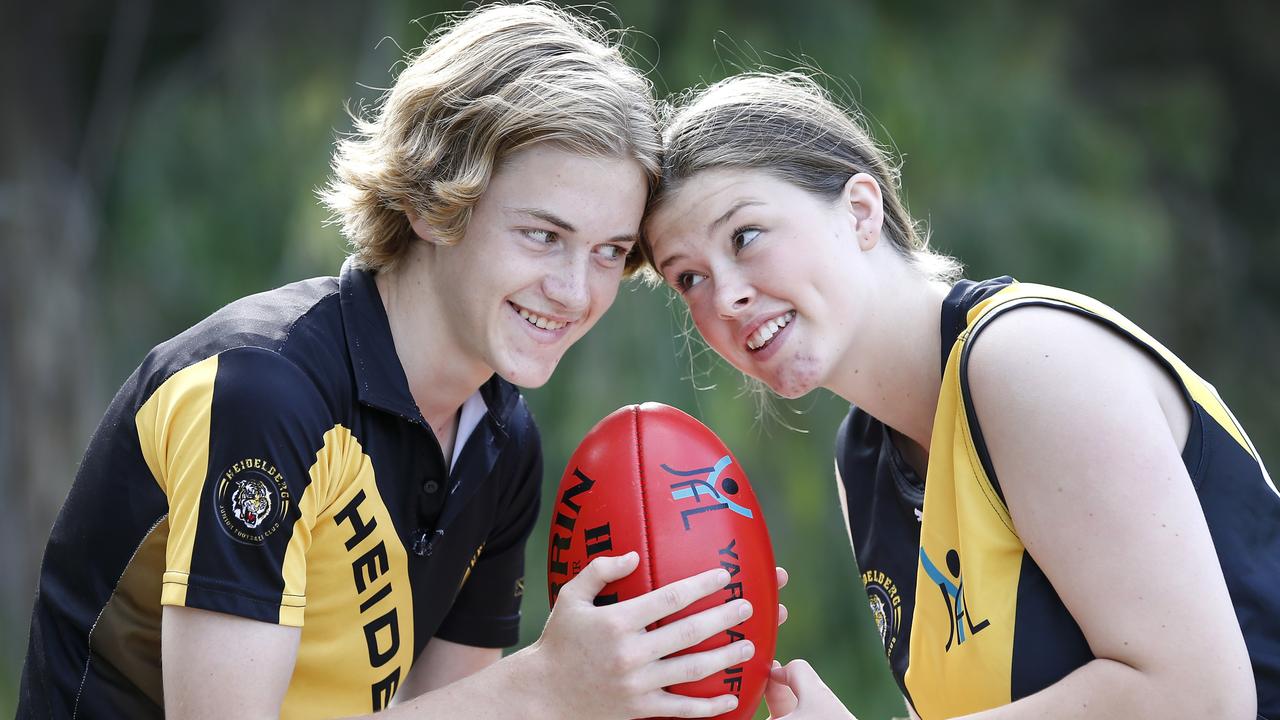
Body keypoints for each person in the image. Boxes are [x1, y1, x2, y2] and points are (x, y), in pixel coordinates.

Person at [18, 5, 763, 719]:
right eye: (542, 235)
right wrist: (541, 687)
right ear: (435, 201)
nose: (575, 291)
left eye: (607, 252)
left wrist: (623, 684)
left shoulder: (501, 444)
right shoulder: (263, 391)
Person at [641, 71, 1279, 719]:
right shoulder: (863, 456)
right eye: (688, 277)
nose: (725, 297)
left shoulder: (1027, 361)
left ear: (860, 211)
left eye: (745, 236)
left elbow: (1199, 698)